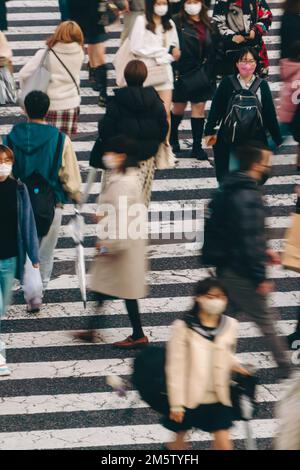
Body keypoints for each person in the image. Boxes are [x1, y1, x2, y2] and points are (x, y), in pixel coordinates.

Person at [209, 142, 291, 379]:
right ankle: (287, 369)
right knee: (266, 321)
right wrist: (260, 276)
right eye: (266, 161)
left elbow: (242, 233)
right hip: (242, 271)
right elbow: (249, 237)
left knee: (225, 319)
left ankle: (213, 360)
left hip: (227, 266)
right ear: (256, 164)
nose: (269, 165)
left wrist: (265, 250)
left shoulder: (232, 186)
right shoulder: (249, 195)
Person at [3, 91, 81, 309]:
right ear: (48, 111)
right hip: (51, 201)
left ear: (25, 110)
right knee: (45, 250)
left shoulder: (10, 138)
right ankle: (39, 292)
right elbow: (70, 177)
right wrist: (75, 195)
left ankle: (27, 285)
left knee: (23, 244)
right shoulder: (59, 139)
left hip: (19, 201)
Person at [75, 135, 149, 348]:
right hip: (124, 244)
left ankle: (138, 335)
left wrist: (108, 245)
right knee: (107, 288)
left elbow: (123, 219)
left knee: (123, 291)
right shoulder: (124, 176)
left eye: (111, 153)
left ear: (122, 156)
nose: (107, 157)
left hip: (120, 246)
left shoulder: (124, 183)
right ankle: (93, 329)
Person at [164, 278, 249, 451]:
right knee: (178, 443)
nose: (217, 301)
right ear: (198, 298)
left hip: (218, 396)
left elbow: (226, 353)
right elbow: (175, 369)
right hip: (189, 398)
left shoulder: (230, 325)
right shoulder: (183, 328)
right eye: (211, 296)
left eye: (221, 297)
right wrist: (176, 404)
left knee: (224, 444)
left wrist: (237, 365)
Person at [90, 59, 169, 206]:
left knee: (114, 199)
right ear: (145, 77)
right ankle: (136, 226)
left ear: (125, 76)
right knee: (140, 199)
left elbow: (105, 130)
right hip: (146, 157)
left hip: (120, 158)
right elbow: (163, 127)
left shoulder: (116, 101)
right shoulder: (155, 101)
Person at [204, 47, 282, 183]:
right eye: (244, 60)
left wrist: (276, 137)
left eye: (251, 61)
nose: (247, 64)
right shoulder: (226, 83)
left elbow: (269, 113)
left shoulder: (262, 86)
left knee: (248, 175)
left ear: (256, 64)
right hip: (230, 138)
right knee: (230, 176)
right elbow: (216, 108)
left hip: (253, 140)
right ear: (236, 63)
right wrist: (209, 131)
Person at [0, 144, 40, 376]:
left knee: (3, 307)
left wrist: (33, 255)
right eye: (1, 161)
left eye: (7, 161)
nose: (4, 166)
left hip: (8, 259)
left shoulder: (18, 188)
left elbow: (28, 223)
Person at [170, 0, 220, 159]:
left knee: (198, 108)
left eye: (196, 1)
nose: (192, 4)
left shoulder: (210, 23)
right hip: (183, 71)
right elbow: (169, 44)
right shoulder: (176, 22)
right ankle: (173, 138)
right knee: (178, 107)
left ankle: (197, 147)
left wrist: (212, 72)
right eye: (189, 1)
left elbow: (216, 48)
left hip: (203, 73)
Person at [18, 21, 84, 137]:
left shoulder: (46, 53)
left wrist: (26, 91)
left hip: (48, 106)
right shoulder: (80, 53)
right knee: (62, 146)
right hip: (71, 106)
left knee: (44, 145)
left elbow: (23, 74)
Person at [130, 0, 180, 135]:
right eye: (158, 3)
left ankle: (165, 148)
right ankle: (147, 147)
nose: (161, 6)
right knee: (147, 114)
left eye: (164, 3)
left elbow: (175, 47)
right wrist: (160, 53)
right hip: (146, 72)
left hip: (165, 72)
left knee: (165, 113)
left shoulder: (170, 24)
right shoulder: (142, 21)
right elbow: (135, 47)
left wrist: (173, 52)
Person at [69, 0, 119, 107]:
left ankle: (101, 91)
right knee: (83, 55)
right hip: (87, 18)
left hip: (88, 18)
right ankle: (101, 91)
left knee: (94, 56)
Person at [212, 0, 272, 76]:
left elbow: (266, 17)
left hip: (255, 49)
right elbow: (218, 23)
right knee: (232, 82)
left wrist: (255, 30)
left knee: (255, 83)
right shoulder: (223, 1)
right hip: (231, 51)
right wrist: (232, 37)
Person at [278, 41, 300, 171]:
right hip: (292, 115)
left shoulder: (290, 68)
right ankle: (259, 152)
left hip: (286, 113)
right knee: (275, 141)